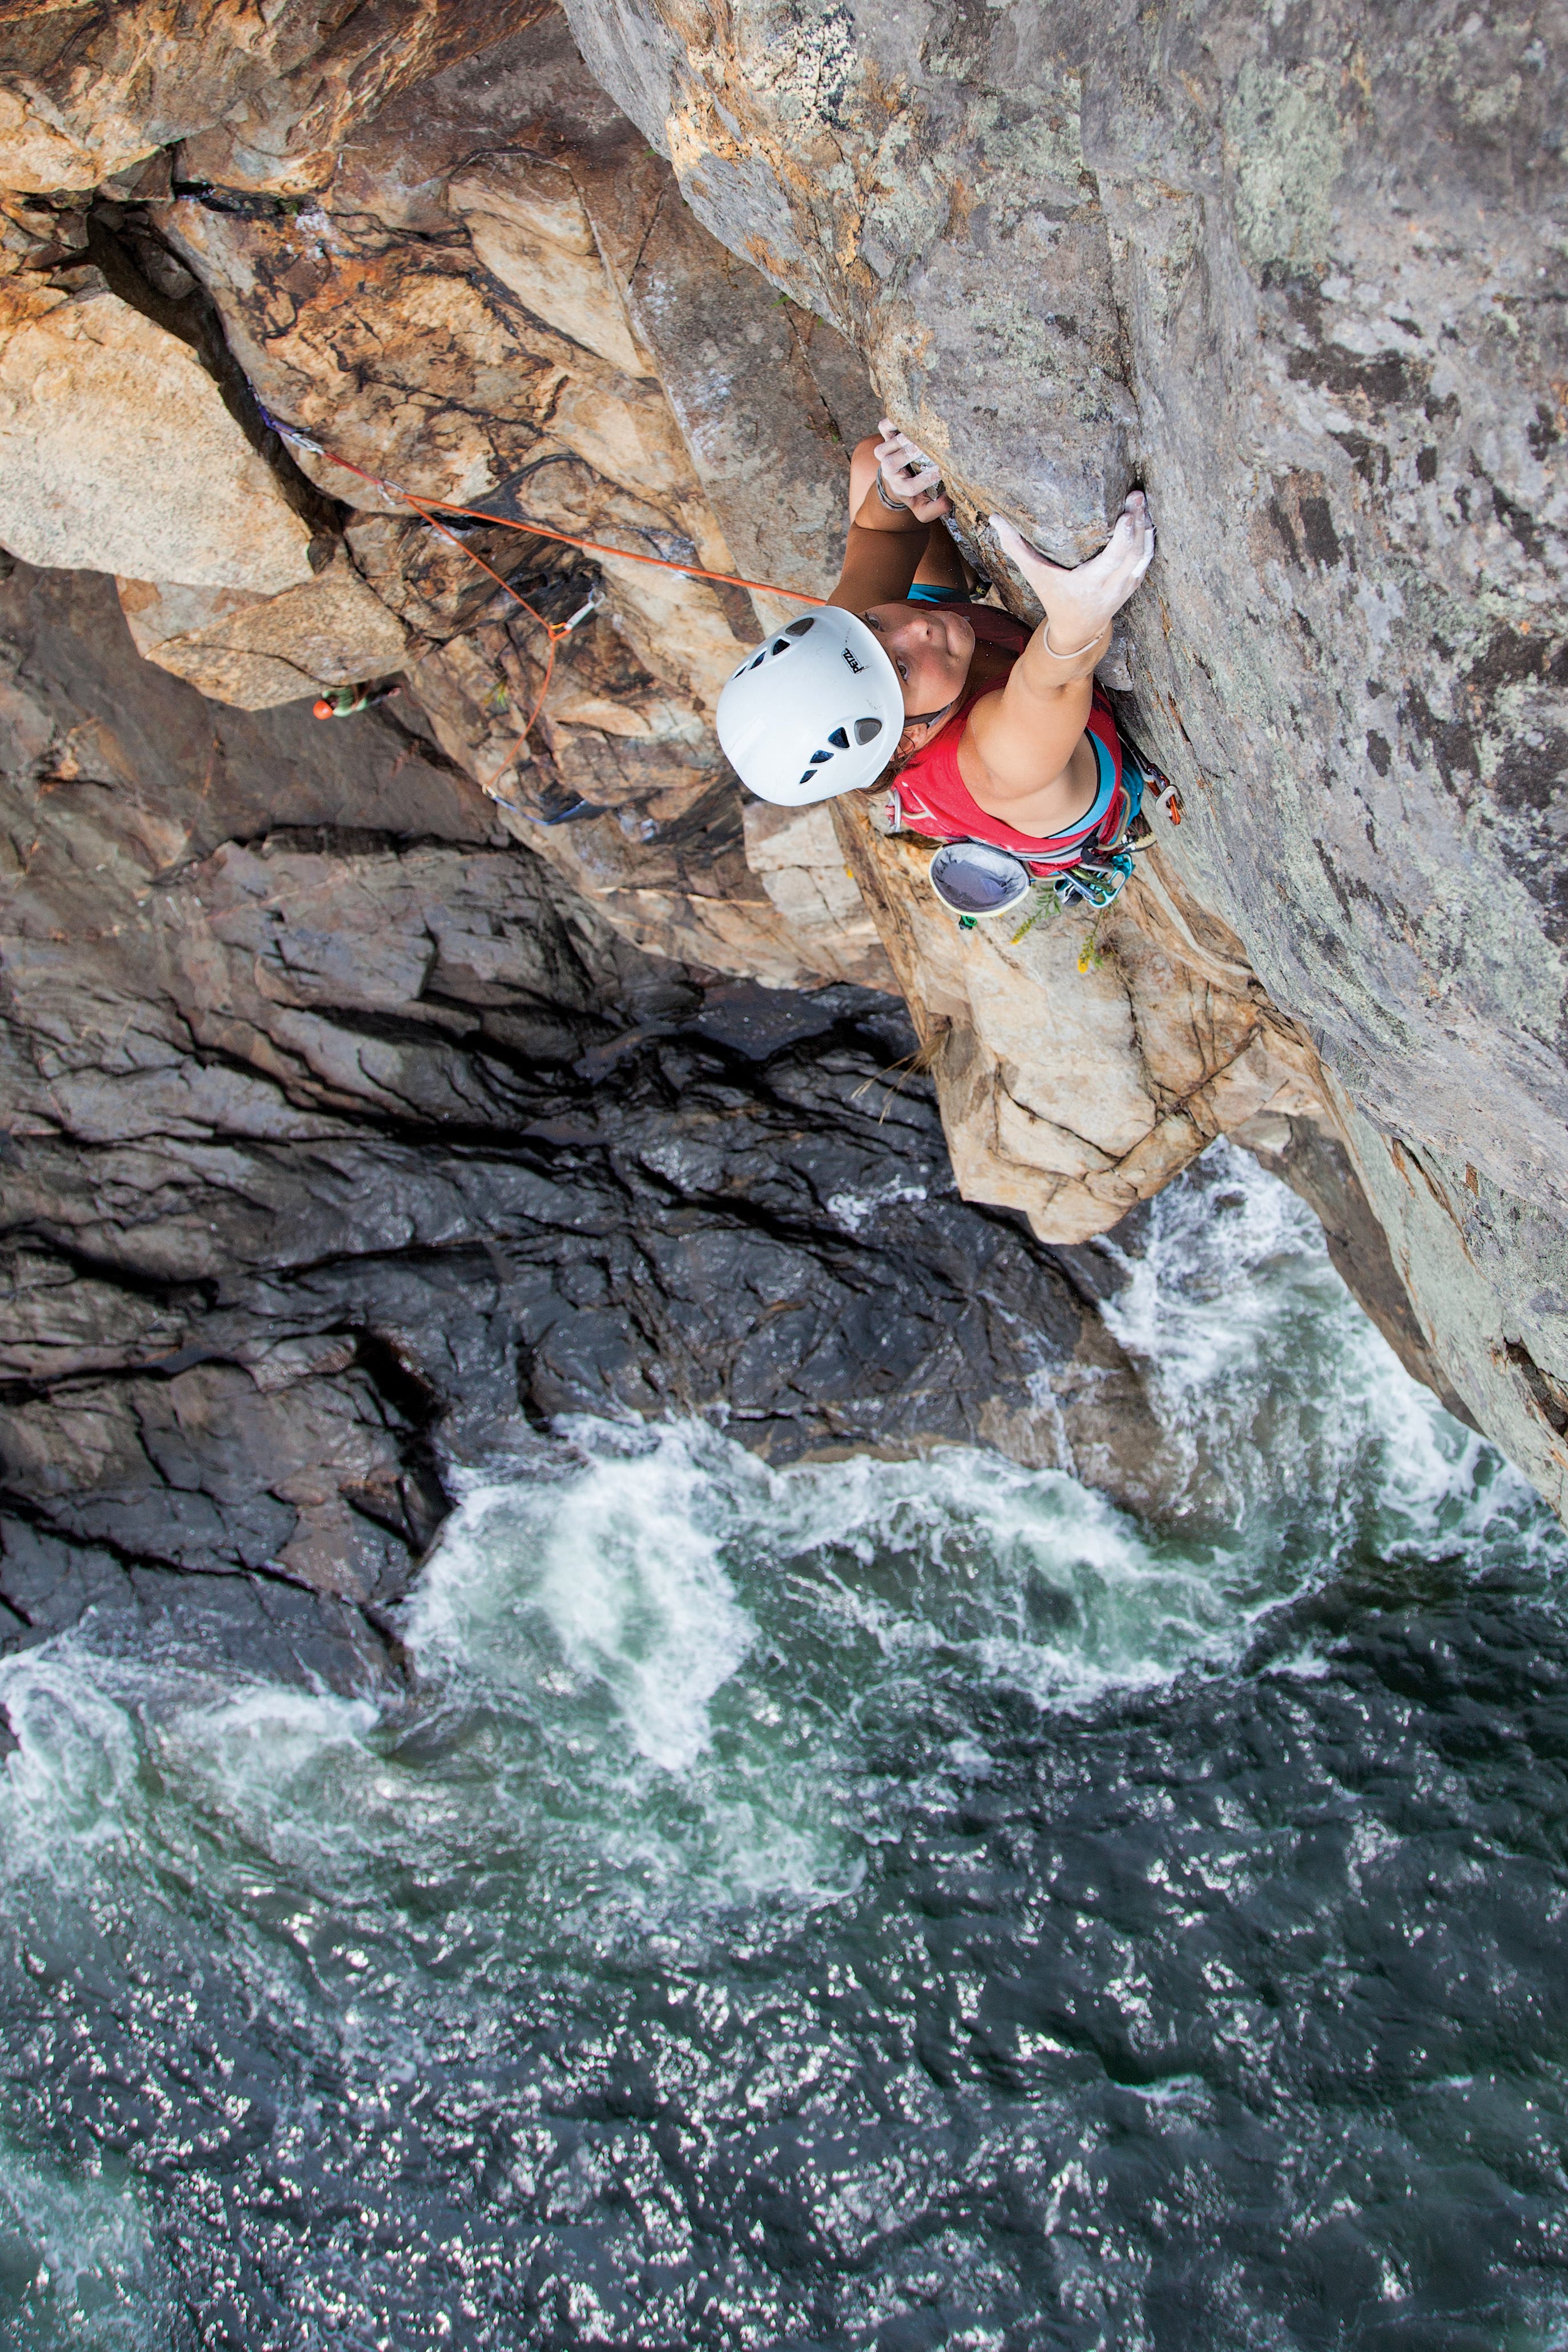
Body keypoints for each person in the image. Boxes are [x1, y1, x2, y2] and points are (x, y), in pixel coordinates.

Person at [715, 420, 1158, 900]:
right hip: (1044, 764)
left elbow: (876, 530)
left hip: (948, 675)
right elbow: (1054, 678)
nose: (915, 627)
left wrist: (893, 495)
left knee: (875, 460)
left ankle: (941, 593)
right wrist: (1075, 611)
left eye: (872, 624)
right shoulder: (999, 763)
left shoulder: (855, 652)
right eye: (900, 668)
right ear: (909, 737)